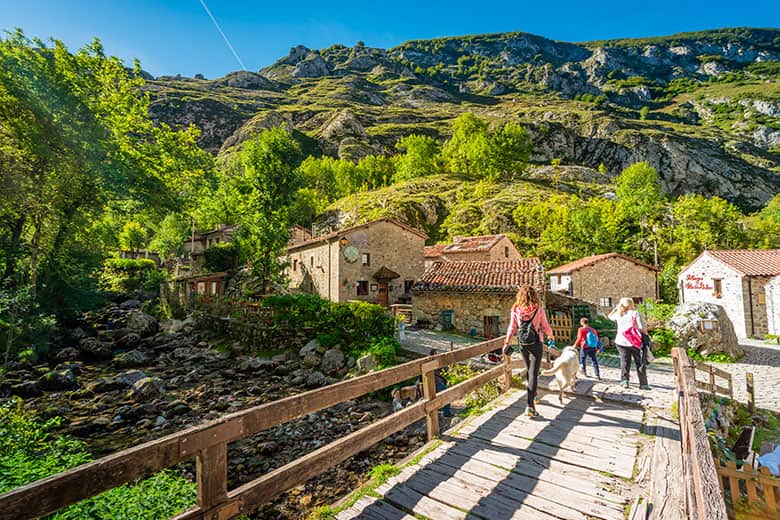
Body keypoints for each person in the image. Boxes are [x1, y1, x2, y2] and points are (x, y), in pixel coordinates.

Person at [503, 285, 554, 417]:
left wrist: (507, 342)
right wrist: (551, 335)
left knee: (528, 370)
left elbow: (512, 327)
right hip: (536, 343)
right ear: (534, 295)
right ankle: (530, 406)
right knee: (533, 374)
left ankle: (534, 395)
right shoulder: (539, 310)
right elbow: (545, 326)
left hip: (523, 344)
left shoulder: (515, 309)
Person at [608, 298, 651, 390]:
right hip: (634, 341)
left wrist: (616, 308)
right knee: (639, 362)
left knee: (624, 361)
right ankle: (643, 384)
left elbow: (609, 316)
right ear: (631, 304)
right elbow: (641, 327)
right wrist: (646, 334)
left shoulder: (618, 314)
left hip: (620, 341)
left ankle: (625, 381)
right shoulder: (635, 313)